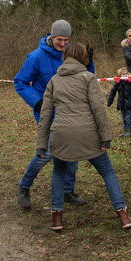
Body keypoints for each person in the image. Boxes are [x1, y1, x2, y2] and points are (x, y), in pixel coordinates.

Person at [36, 43, 131, 231]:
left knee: (59, 173)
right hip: (88, 134)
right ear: (83, 58)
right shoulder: (88, 77)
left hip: (61, 135)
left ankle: (56, 218)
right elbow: (98, 109)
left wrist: (41, 144)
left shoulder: (54, 80)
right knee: (107, 172)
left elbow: (45, 114)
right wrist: (105, 137)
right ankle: (123, 215)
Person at [14, 20, 90, 210]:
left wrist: (90, 61)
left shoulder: (72, 53)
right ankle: (24, 187)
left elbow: (85, 76)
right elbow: (20, 82)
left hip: (70, 112)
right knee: (46, 152)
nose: (63, 44)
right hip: (47, 112)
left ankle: (67, 190)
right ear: (51, 36)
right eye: (59, 40)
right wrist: (37, 101)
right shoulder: (35, 57)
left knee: (72, 151)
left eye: (66, 40)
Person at [107, 67, 131, 138]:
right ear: (119, 76)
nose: (125, 75)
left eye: (126, 74)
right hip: (121, 103)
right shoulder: (117, 83)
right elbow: (112, 92)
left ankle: (128, 131)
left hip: (129, 102)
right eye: (123, 74)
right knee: (123, 118)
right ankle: (125, 130)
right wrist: (109, 102)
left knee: (128, 117)